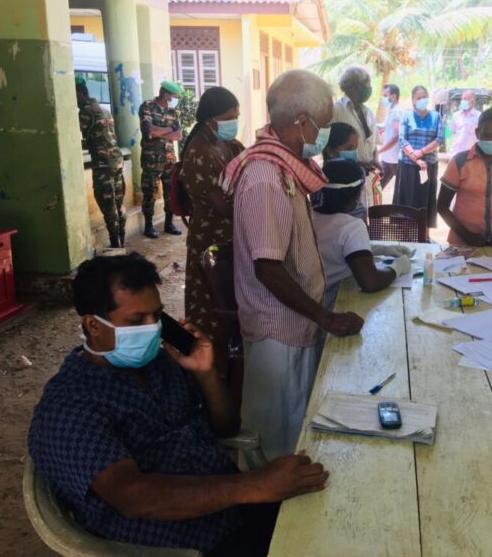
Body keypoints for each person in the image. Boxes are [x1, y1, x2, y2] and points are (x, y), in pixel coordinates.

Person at [28, 254, 329, 556]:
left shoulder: (161, 362)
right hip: (178, 544)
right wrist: (255, 485)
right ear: (93, 325)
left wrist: (206, 374)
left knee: (328, 520)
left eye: (157, 315)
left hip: (230, 508)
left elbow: (227, 427)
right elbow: (133, 497)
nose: (153, 328)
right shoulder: (69, 405)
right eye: (137, 320)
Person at [220, 69, 365, 460]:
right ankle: (263, 497)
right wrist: (326, 316)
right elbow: (268, 268)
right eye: (323, 125)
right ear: (302, 123)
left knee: (294, 425)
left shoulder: (284, 168)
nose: (324, 134)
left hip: (295, 322)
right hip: (277, 328)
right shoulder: (266, 178)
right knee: (276, 438)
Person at [179, 86, 245, 376]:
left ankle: (231, 362)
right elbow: (222, 207)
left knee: (232, 298)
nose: (234, 122)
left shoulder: (229, 145)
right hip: (209, 238)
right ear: (210, 120)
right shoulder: (199, 153)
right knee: (210, 301)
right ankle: (209, 370)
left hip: (231, 237)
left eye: (236, 116)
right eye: (229, 117)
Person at [312, 159, 412, 309]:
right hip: (334, 305)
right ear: (355, 197)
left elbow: (337, 249)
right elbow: (370, 282)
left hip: (310, 303)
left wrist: (381, 249)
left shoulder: (309, 216)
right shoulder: (352, 226)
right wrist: (398, 268)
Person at [438, 107, 492, 247]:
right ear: (477, 133)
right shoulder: (459, 162)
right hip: (462, 244)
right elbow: (442, 206)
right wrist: (467, 237)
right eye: (487, 135)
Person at [76, 77, 126, 248]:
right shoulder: (103, 110)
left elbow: (73, 136)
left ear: (79, 93)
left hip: (103, 164)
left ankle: (115, 244)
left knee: (108, 203)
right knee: (118, 202)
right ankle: (121, 241)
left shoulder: (85, 112)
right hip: (117, 160)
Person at [332, 65, 380, 218]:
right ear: (354, 85)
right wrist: (355, 164)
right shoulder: (336, 110)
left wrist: (375, 160)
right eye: (367, 83)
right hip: (346, 181)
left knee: (366, 219)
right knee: (350, 221)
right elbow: (329, 149)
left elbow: (373, 143)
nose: (369, 88)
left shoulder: (368, 112)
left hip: (367, 180)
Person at [394, 85, 444, 228]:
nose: (422, 100)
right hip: (408, 165)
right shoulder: (407, 116)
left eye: (424, 97)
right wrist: (415, 158)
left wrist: (421, 152)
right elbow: (402, 140)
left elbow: (439, 139)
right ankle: (405, 232)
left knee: (425, 200)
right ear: (413, 100)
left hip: (429, 166)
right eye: (419, 97)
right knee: (407, 199)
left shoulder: (436, 116)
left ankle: (424, 233)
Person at [139, 81, 184, 239]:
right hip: (151, 159)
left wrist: (160, 132)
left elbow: (179, 135)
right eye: (174, 95)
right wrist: (169, 129)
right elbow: (149, 130)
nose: (175, 98)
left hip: (169, 159)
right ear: (165, 94)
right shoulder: (148, 106)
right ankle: (149, 226)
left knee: (170, 192)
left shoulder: (173, 112)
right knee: (150, 192)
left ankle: (169, 223)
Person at [377, 84, 401, 189]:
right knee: (377, 185)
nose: (383, 98)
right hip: (388, 157)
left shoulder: (397, 112)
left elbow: (396, 136)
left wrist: (380, 151)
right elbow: (385, 127)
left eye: (385, 95)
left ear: (393, 96)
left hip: (394, 158)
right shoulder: (391, 111)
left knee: (402, 187)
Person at [448, 90, 481, 157]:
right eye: (462, 99)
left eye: (465, 99)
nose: (462, 101)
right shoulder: (456, 115)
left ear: (473, 101)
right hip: (456, 153)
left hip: (472, 154)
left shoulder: (479, 116)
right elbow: (454, 132)